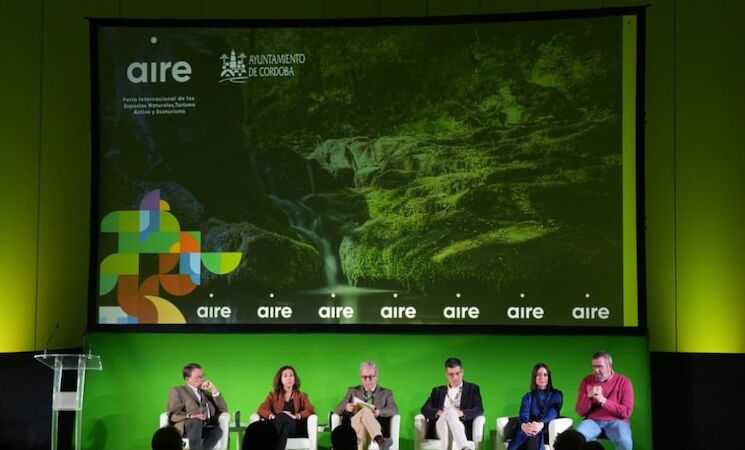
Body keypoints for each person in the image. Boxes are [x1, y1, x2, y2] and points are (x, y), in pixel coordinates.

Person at [574, 351, 634, 450]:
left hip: (617, 421)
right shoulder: (586, 381)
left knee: (625, 442)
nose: (596, 370)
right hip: (592, 420)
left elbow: (626, 412)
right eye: (593, 366)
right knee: (577, 438)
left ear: (609, 366)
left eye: (599, 366)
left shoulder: (624, 381)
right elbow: (580, 411)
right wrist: (589, 397)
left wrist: (603, 401)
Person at [421, 357, 484, 450]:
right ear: (446, 374)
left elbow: (479, 409)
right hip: (439, 426)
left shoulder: (472, 389)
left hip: (462, 427)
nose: (455, 377)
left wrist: (462, 413)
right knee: (450, 411)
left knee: (451, 412)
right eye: (451, 374)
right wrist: (438, 412)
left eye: (457, 373)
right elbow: (424, 409)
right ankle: (464, 447)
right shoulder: (437, 391)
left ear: (462, 372)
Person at [334, 361, 398, 450]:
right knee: (365, 410)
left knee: (364, 426)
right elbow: (337, 409)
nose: (367, 380)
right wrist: (346, 407)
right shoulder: (352, 391)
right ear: (360, 377)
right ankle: (380, 440)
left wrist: (379, 412)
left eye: (371, 377)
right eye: (364, 377)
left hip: (376, 427)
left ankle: (378, 438)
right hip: (355, 425)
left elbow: (394, 409)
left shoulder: (386, 393)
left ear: (376, 376)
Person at [166, 362, 228, 450]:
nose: (203, 379)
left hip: (204, 427)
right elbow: (173, 413)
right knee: (196, 420)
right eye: (199, 377)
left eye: (203, 376)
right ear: (187, 379)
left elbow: (223, 409)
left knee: (217, 431)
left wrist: (213, 388)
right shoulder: (178, 391)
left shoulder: (206, 393)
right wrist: (191, 416)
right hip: (188, 427)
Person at [257, 365, 316, 450]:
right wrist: (273, 416)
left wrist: (296, 416)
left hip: (295, 428)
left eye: (291, 375)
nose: (289, 378)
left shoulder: (302, 396)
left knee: (282, 416)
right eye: (285, 376)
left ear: (295, 378)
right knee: (285, 427)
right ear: (280, 379)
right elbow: (261, 409)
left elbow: (310, 409)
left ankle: (268, 440)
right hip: (282, 427)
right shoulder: (273, 395)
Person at [508, 363, 563, 450]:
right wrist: (524, 425)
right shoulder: (528, 397)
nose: (542, 377)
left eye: (545, 375)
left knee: (532, 436)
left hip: (547, 429)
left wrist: (541, 424)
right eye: (539, 375)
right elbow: (524, 415)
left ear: (548, 378)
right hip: (529, 429)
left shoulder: (556, 394)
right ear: (534, 378)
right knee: (528, 434)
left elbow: (553, 412)